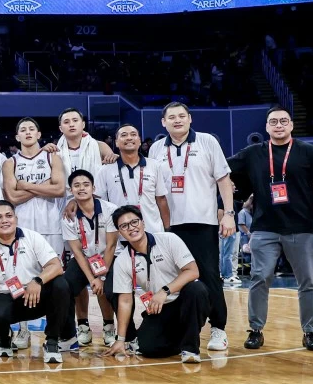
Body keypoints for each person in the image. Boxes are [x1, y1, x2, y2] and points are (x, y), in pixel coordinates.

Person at [228, 106, 313, 352]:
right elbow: (221, 168)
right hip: (264, 228)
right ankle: (255, 330)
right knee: (259, 279)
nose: (279, 125)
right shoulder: (254, 153)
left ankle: (310, 332)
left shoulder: (309, 152)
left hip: (302, 228)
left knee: (308, 281)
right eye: (273, 121)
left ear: (291, 125)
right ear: (266, 127)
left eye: (284, 121)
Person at [147, 102, 234, 353]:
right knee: (173, 279)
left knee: (208, 277)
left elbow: (223, 180)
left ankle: (219, 328)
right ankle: (183, 327)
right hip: (167, 226)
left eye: (181, 116)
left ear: (190, 119)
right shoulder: (155, 149)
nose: (177, 120)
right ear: (163, 122)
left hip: (201, 222)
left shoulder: (207, 142)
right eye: (171, 117)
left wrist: (228, 214)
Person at [104, 205, 210, 364]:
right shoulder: (122, 261)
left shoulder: (169, 239)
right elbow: (125, 301)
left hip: (184, 301)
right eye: (124, 226)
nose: (131, 228)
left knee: (196, 289)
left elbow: (192, 271)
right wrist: (121, 339)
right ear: (120, 232)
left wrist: (164, 291)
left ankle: (190, 348)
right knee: (148, 348)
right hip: (160, 308)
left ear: (143, 223)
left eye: (134, 222)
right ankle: (179, 338)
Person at [0, 201, 71, 363]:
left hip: (34, 296)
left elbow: (56, 266)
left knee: (61, 285)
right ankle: (4, 338)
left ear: (16, 219)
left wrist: (38, 280)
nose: (4, 220)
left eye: (8, 216)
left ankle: (52, 341)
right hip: (4, 298)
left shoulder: (32, 237)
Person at [3, 118, 66, 348]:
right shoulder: (10, 162)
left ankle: (54, 333)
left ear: (39, 134)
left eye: (31, 129)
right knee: (21, 277)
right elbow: (12, 197)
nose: (27, 132)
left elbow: (59, 189)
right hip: (23, 228)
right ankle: (23, 330)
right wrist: (44, 185)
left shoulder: (52, 157)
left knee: (53, 279)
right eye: (22, 130)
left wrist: (25, 185)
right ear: (17, 137)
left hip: (52, 227)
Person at [61, 170, 118, 346]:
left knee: (107, 288)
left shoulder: (110, 210)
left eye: (86, 184)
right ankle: (82, 326)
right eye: (76, 185)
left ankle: (109, 327)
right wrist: (91, 277)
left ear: (93, 188)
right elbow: (77, 252)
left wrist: (100, 277)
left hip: (110, 257)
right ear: (71, 190)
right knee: (67, 285)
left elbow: (111, 246)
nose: (81, 188)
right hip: (85, 258)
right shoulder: (67, 217)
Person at [96, 125, 171, 233]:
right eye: (124, 135)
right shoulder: (105, 169)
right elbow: (100, 203)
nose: (129, 138)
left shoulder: (154, 165)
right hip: (120, 234)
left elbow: (161, 199)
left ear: (139, 141)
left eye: (133, 134)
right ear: (116, 142)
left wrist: (167, 229)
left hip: (152, 231)